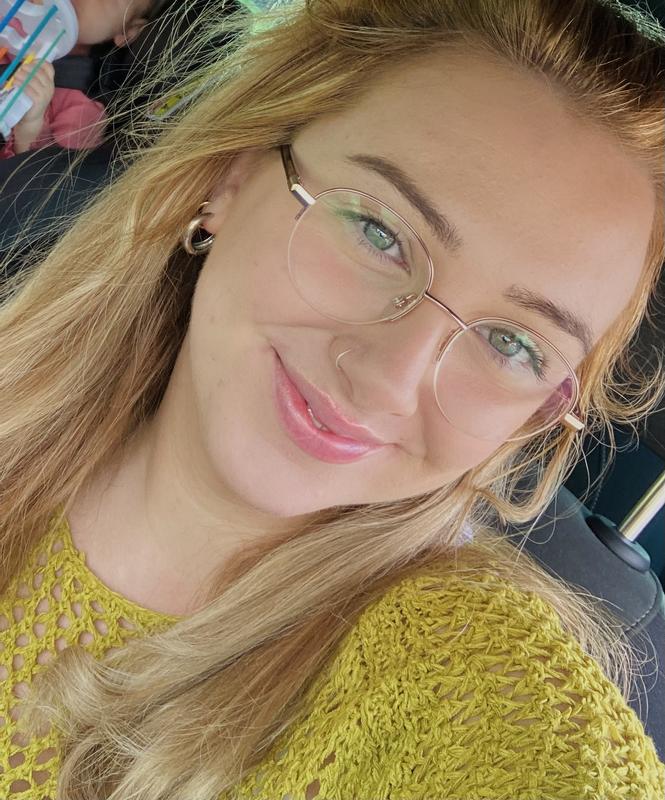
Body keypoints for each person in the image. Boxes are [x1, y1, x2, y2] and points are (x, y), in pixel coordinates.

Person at [0, 0, 663, 797]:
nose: (386, 379)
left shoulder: (474, 693)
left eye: (512, 344)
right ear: (231, 176)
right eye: (380, 234)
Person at [0, 0, 153, 158]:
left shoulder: (83, 113)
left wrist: (30, 130)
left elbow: (45, 170)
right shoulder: (11, 9)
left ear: (127, 32)